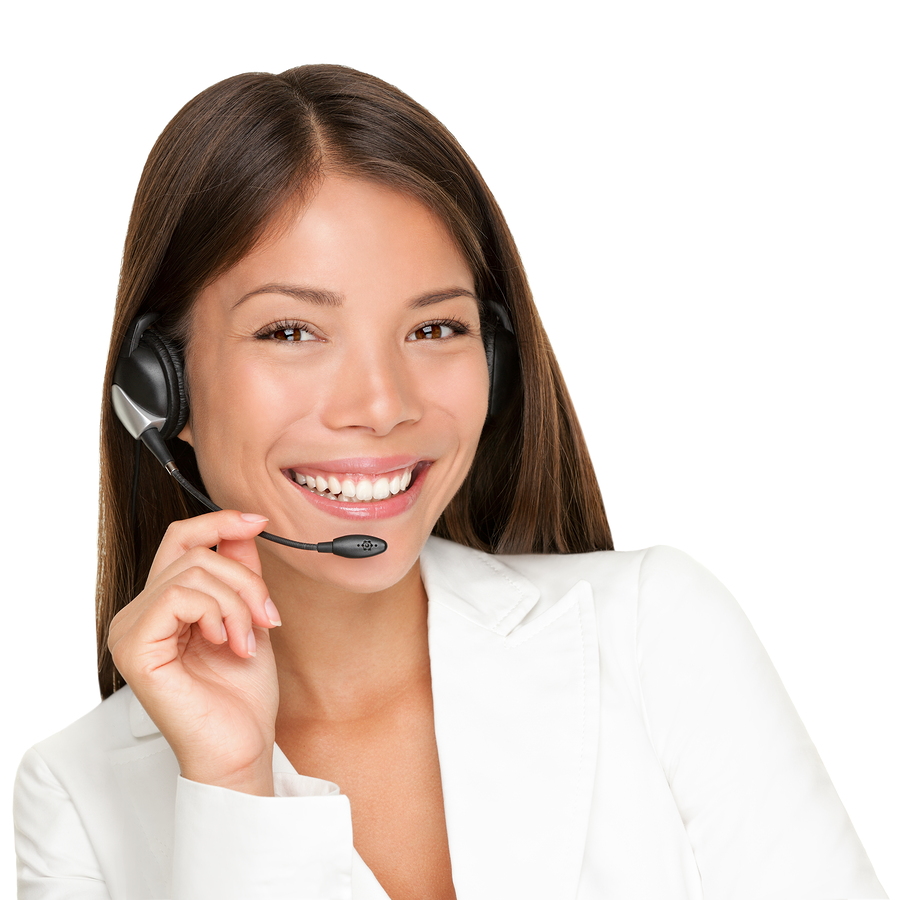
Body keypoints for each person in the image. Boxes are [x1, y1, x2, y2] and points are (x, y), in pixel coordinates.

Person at [13, 64, 886, 900]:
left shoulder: (653, 633)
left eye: (434, 329)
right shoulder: (78, 799)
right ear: (161, 390)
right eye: (290, 332)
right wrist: (234, 790)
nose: (382, 404)